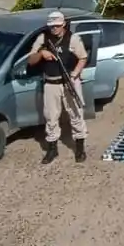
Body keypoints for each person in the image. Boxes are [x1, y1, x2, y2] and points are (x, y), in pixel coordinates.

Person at [26, 11, 90, 163]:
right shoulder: (42, 38)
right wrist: (42, 53)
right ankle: (52, 149)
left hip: (69, 81)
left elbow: (83, 57)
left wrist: (74, 74)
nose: (54, 29)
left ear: (63, 25)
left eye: (57, 26)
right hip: (51, 83)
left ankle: (80, 148)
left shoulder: (72, 39)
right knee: (51, 117)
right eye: (51, 26)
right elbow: (31, 60)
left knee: (76, 114)